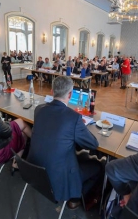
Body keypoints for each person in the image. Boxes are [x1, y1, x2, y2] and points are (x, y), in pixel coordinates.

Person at [27, 76, 102, 209]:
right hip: (58, 178)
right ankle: (75, 198)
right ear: (70, 94)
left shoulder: (39, 110)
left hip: (35, 171)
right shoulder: (73, 118)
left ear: (51, 91)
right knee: (98, 166)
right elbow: (93, 144)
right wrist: (80, 127)